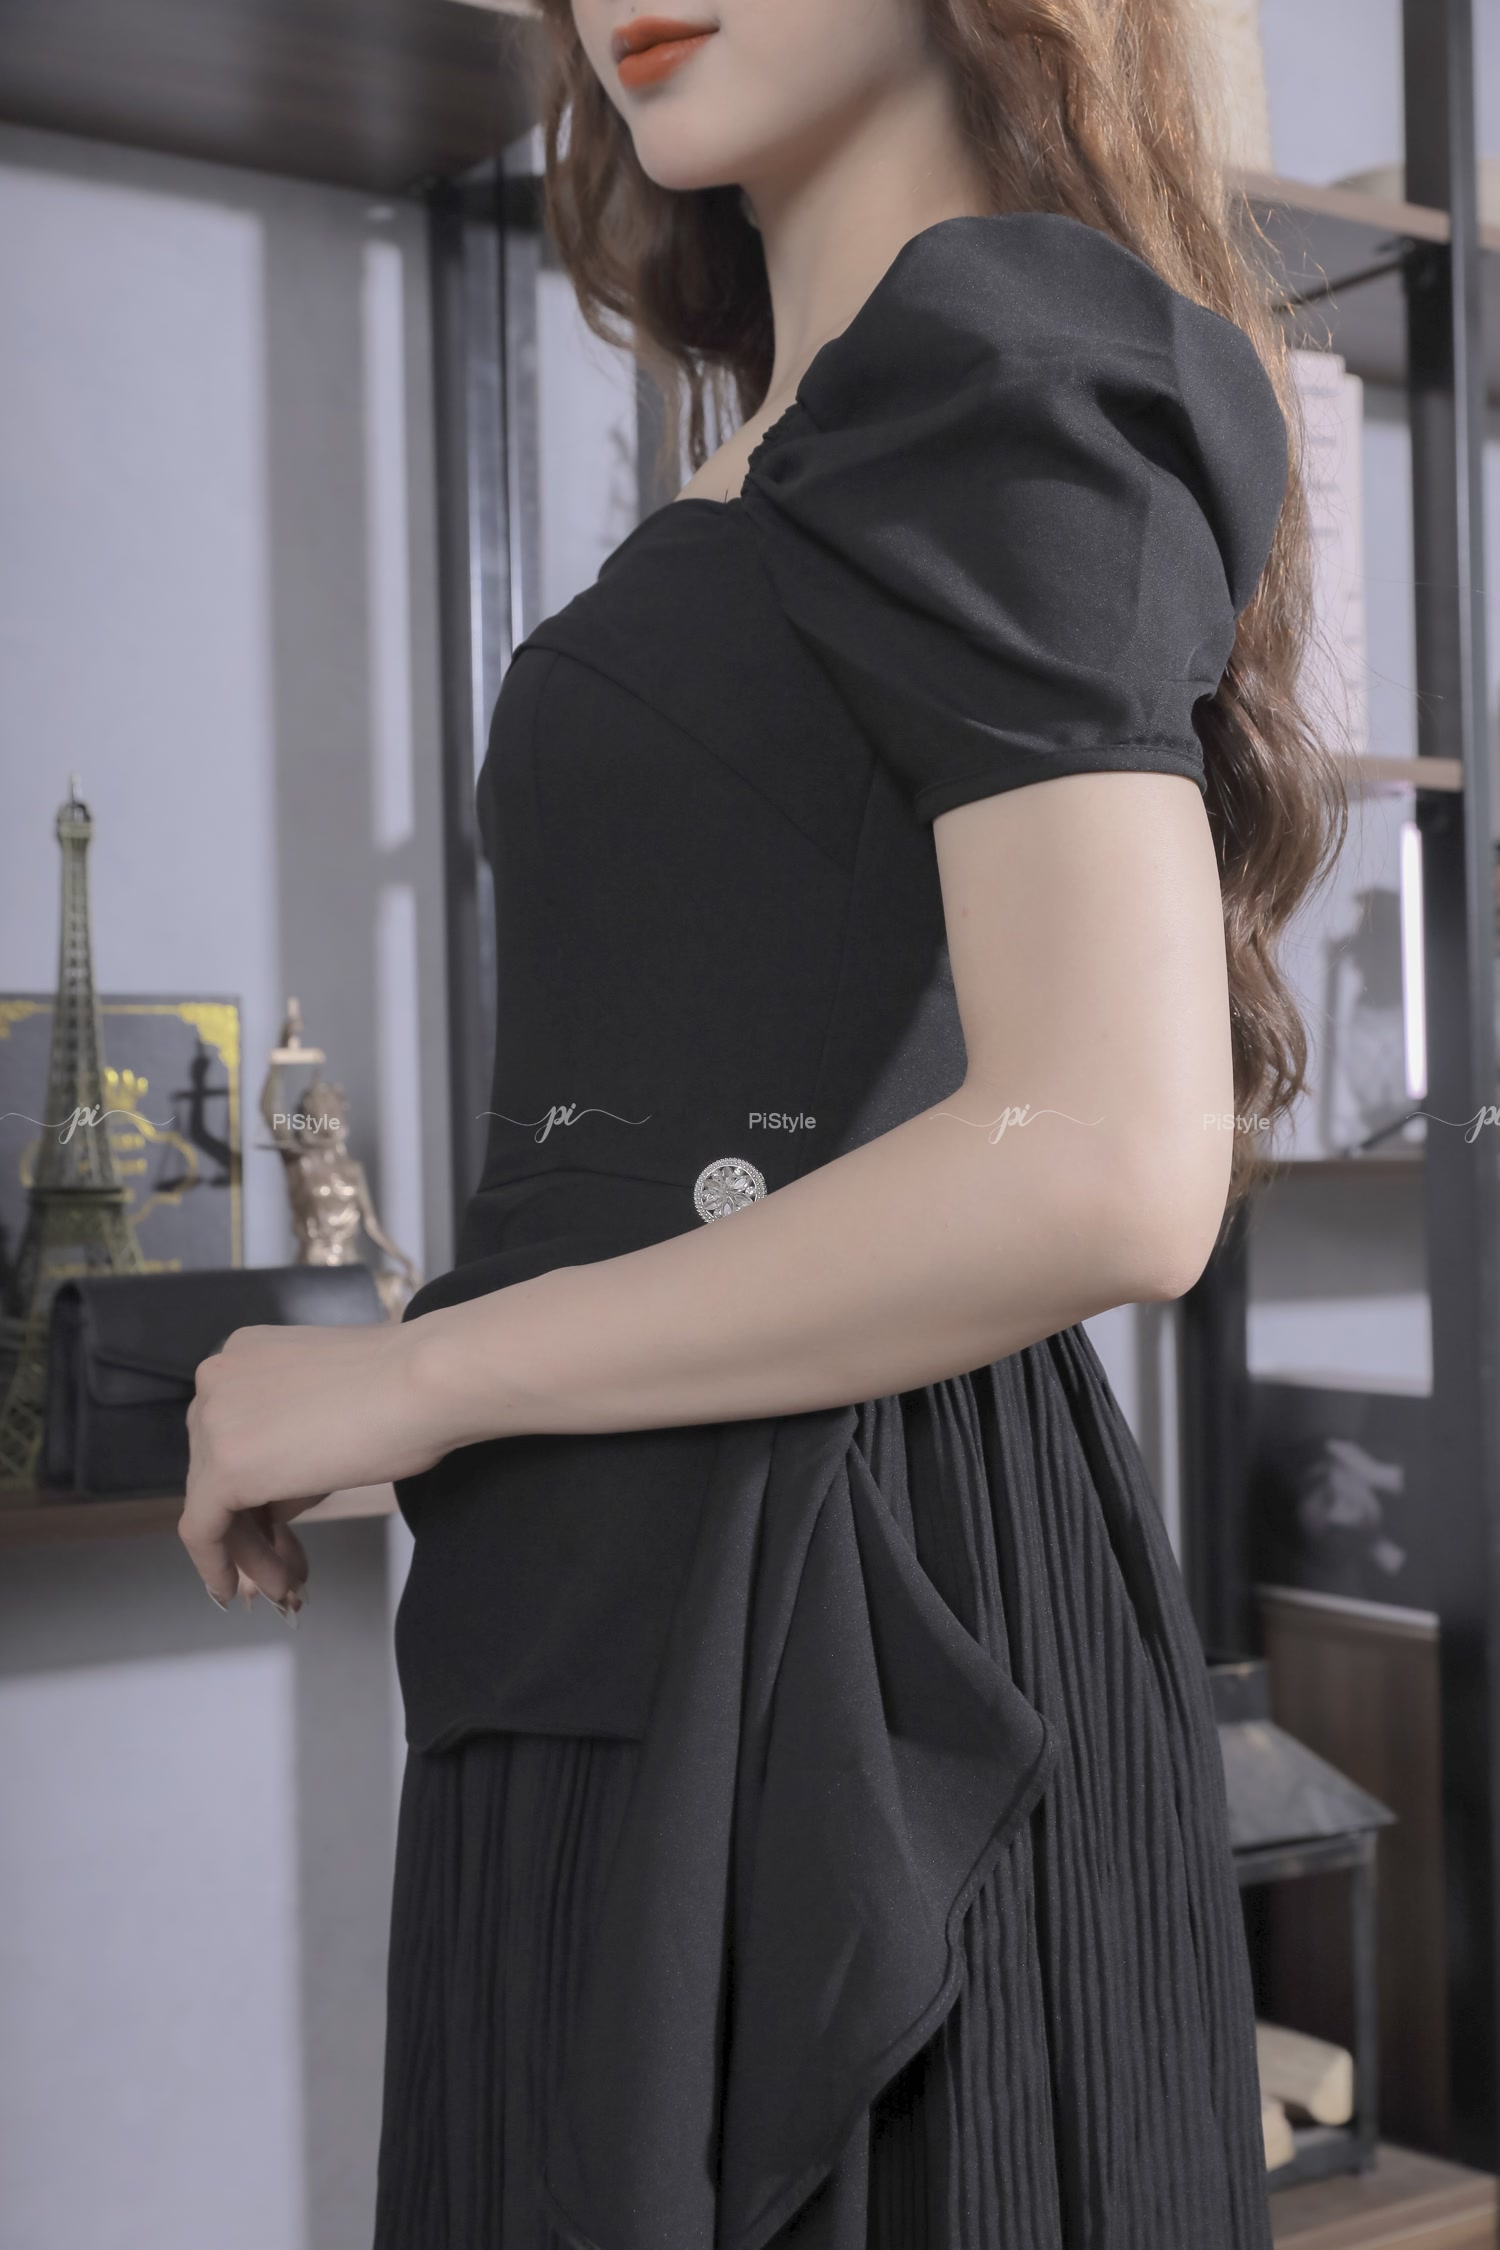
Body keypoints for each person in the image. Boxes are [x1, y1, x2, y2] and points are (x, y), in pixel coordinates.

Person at [178, 0, 1347, 2242]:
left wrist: (413, 1374)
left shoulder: (992, 368)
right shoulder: (812, 441)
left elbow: (1116, 1161)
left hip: (836, 1657)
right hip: (626, 1625)